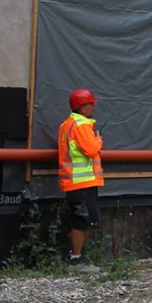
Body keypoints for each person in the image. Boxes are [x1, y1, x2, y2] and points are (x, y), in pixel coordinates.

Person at [57, 88, 104, 265]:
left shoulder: (66, 124)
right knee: (83, 220)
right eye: (91, 105)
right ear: (83, 108)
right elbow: (91, 149)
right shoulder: (82, 125)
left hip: (75, 181)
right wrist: (98, 140)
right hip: (81, 182)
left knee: (85, 220)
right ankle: (75, 260)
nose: (93, 108)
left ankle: (77, 258)